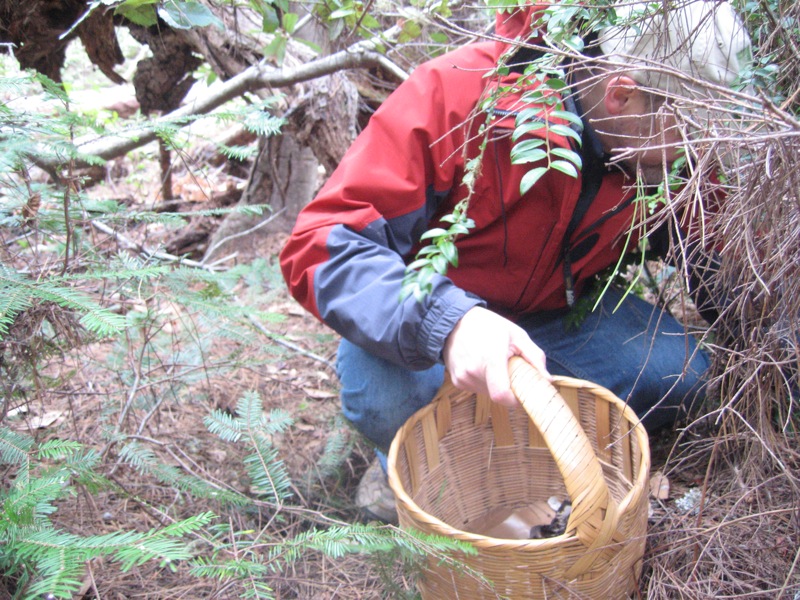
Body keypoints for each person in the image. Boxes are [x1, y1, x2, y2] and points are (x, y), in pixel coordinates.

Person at [280, 0, 751, 522]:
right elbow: (320, 242)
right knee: (385, 399)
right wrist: (450, 323)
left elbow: (721, 263)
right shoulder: (458, 94)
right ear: (621, 95)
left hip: (555, 318)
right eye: (687, 131)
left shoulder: (665, 154)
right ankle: (417, 462)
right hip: (432, 324)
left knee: (681, 373)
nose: (698, 148)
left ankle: (516, 451)